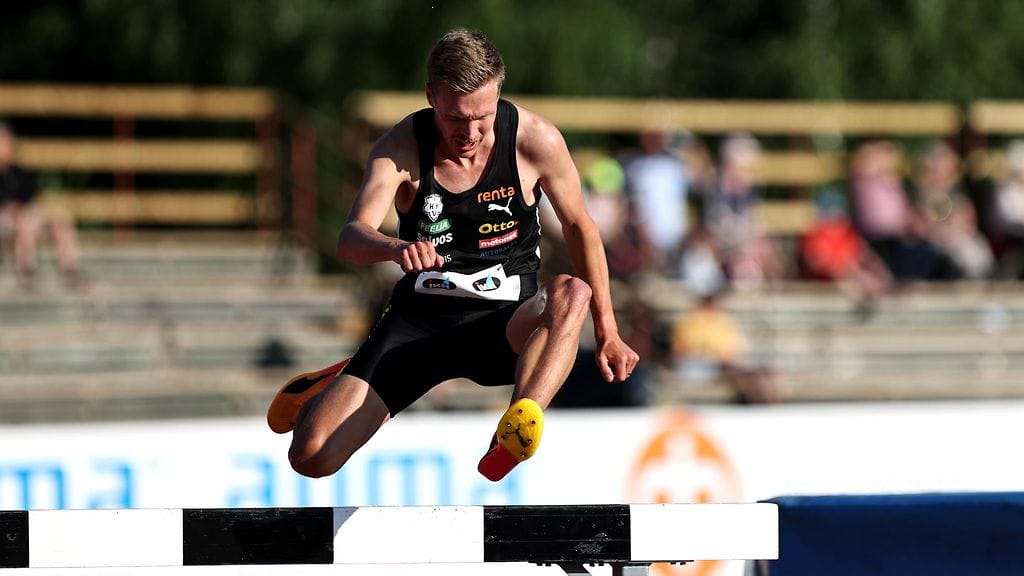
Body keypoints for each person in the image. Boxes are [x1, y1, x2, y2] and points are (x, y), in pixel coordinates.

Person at [267, 30, 639, 482]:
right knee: (311, 458)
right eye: (454, 117)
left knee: (572, 293)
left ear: (498, 94)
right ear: (431, 97)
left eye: (482, 117)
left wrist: (608, 330)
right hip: (421, 326)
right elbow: (351, 237)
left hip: (506, 323)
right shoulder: (399, 148)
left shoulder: (535, 140)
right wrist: (395, 247)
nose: (469, 133)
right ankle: (329, 389)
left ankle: (516, 428)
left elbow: (581, 227)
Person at [0, 121, 82, 287]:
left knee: (59, 219)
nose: (6, 147)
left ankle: (69, 269)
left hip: (23, 214)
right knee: (23, 222)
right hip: (7, 218)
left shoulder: (20, 172)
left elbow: (30, 198)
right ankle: (26, 271)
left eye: (7, 142)